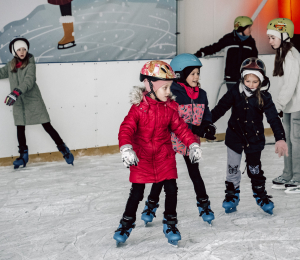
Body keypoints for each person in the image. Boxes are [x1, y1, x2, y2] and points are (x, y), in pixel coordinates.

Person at [113, 60, 202, 247]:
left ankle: (170, 223)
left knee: (171, 189)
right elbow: (126, 129)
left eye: (170, 87)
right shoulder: (138, 109)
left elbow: (181, 129)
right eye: (165, 88)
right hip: (142, 157)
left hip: (164, 157)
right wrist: (126, 148)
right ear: (149, 85)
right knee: (136, 193)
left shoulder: (170, 108)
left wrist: (192, 144)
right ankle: (126, 224)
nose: (169, 92)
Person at [140, 54, 216, 227]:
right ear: (181, 75)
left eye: (198, 73)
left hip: (190, 140)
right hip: (169, 140)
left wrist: (207, 125)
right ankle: (151, 206)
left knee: (195, 173)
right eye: (193, 74)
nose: (196, 77)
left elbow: (206, 113)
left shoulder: (201, 94)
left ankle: (204, 205)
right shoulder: (172, 93)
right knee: (163, 175)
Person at [211, 57, 288, 215]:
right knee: (232, 169)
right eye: (248, 80)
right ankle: (232, 195)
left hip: (254, 139)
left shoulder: (264, 97)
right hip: (235, 137)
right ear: (242, 79)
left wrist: (280, 138)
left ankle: (260, 195)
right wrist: (205, 124)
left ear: (260, 81)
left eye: (255, 81)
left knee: (255, 170)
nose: (251, 85)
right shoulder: (234, 92)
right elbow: (220, 108)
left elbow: (273, 118)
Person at [0, 36, 74, 169]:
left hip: (32, 101)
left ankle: (64, 149)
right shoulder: (11, 65)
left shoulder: (30, 64)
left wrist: (16, 92)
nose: (22, 52)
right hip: (18, 102)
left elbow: (29, 81)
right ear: (14, 51)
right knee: (20, 127)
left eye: (24, 49)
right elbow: (1, 73)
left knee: (47, 126)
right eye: (19, 50)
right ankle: (23, 156)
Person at [267, 18, 300, 193]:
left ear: (284, 35)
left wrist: (278, 104)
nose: (270, 41)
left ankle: (298, 176)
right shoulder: (282, 53)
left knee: (296, 142)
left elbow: (290, 84)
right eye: (269, 37)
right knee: (287, 141)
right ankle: (288, 174)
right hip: (289, 106)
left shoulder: (292, 55)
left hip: (297, 106)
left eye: (273, 37)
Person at [194, 16, 258, 91]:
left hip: (246, 78)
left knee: (245, 100)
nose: (251, 30)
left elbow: (254, 59)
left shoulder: (251, 42)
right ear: (241, 29)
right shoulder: (228, 39)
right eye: (249, 27)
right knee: (234, 99)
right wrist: (201, 53)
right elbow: (215, 48)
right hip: (231, 78)